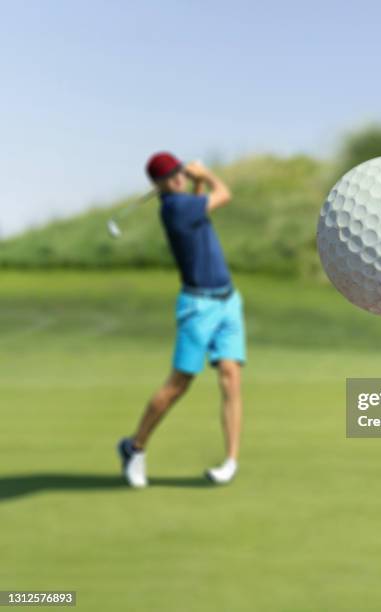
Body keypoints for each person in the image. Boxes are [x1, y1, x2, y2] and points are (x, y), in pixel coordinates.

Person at [117, 152, 245, 487]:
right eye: (171, 176)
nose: (178, 178)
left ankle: (230, 461)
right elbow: (224, 195)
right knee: (179, 384)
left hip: (228, 300)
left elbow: (200, 201)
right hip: (198, 307)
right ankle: (135, 446)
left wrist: (197, 181)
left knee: (231, 376)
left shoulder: (185, 203)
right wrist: (207, 173)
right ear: (159, 185)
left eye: (179, 172)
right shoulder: (174, 207)